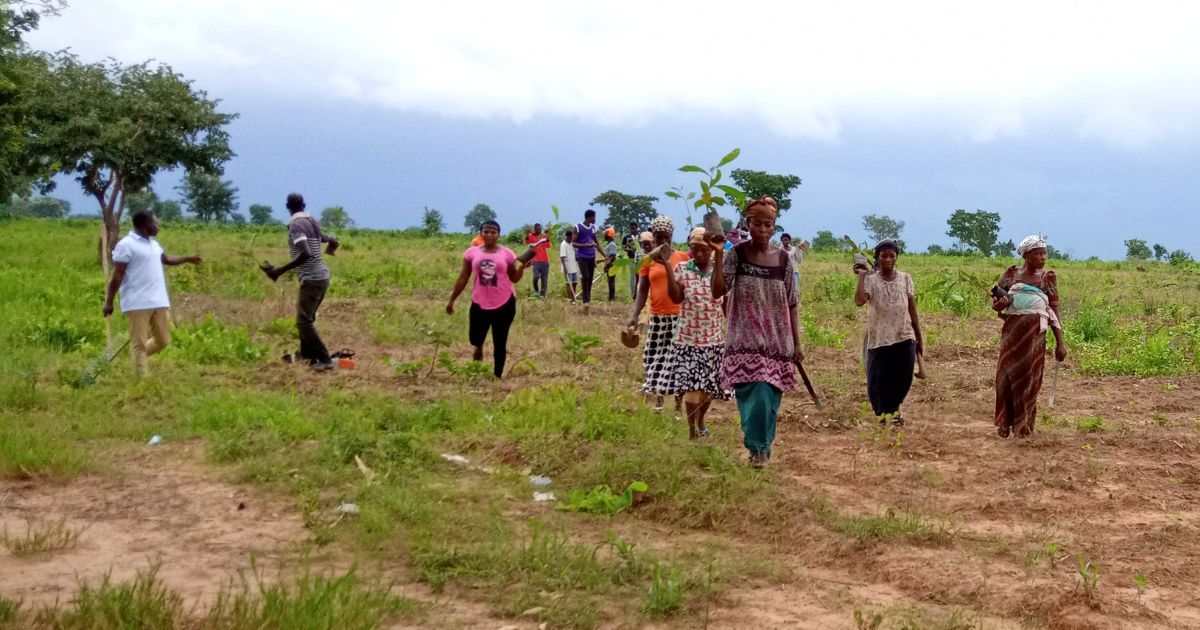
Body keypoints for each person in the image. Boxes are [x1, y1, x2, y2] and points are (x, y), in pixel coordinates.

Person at [710, 197, 802, 469]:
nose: (762, 229)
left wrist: (797, 344)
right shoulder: (736, 255)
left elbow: (793, 303)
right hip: (744, 341)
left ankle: (763, 446)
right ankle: (757, 449)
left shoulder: (783, 260)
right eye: (757, 224)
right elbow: (718, 291)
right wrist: (717, 255)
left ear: (774, 227)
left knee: (770, 401)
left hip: (777, 343)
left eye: (768, 224)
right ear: (747, 225)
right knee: (754, 399)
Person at [102, 211, 201, 378]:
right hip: (137, 302)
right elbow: (117, 275)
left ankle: (136, 357)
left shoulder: (154, 244)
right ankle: (142, 380)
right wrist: (109, 301)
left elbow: (167, 259)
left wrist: (187, 258)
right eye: (154, 223)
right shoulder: (126, 245)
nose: (157, 226)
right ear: (144, 224)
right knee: (139, 343)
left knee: (163, 340)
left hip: (158, 301)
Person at [992, 235, 1067, 438]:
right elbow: (998, 305)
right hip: (1012, 333)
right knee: (1006, 377)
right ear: (1026, 255)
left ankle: (1023, 424)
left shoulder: (1047, 278)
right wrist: (998, 305)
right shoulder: (1010, 275)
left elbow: (1054, 311)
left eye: (1044, 253)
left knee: (1030, 378)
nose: (1043, 257)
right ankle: (1005, 422)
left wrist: (1060, 342)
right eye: (1038, 253)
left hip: (1035, 336)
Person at [262, 193, 340, 371]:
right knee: (307, 319)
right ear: (303, 205)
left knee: (303, 321)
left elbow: (306, 253)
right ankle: (306, 355)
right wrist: (332, 242)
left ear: (287, 207)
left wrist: (279, 271)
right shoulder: (311, 220)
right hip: (321, 276)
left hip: (312, 279)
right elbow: (324, 238)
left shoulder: (296, 225)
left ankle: (324, 359)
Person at [665, 227, 730, 439]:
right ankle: (692, 432)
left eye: (703, 249)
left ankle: (701, 420)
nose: (699, 253)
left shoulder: (719, 272)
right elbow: (675, 299)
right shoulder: (683, 269)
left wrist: (719, 255)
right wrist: (666, 265)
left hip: (713, 340)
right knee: (692, 386)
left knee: (708, 390)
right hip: (687, 339)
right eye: (695, 249)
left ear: (710, 250)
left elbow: (725, 304)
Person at [447, 220, 529, 379]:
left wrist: (521, 269)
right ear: (481, 233)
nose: (490, 235)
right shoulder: (471, 253)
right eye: (486, 231)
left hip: (504, 302)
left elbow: (514, 278)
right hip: (479, 302)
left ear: (498, 235)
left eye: (493, 232)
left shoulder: (507, 253)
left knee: (500, 340)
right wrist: (451, 300)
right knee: (475, 337)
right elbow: (463, 277)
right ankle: (478, 348)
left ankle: (497, 377)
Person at [854, 239, 923, 425]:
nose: (888, 259)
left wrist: (919, 337)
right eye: (884, 256)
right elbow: (860, 301)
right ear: (877, 257)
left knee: (903, 376)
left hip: (904, 335)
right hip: (880, 338)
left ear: (897, 257)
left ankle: (894, 409)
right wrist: (861, 276)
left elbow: (912, 310)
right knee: (879, 379)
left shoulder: (905, 278)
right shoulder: (871, 280)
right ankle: (886, 414)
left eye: (892, 255)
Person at [627, 216, 690, 411]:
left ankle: (679, 406)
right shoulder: (647, 261)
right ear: (653, 237)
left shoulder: (682, 258)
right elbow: (642, 290)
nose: (663, 242)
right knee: (654, 358)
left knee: (677, 361)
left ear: (672, 237)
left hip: (679, 317)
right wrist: (634, 315)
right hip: (657, 317)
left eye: (667, 238)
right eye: (659, 237)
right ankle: (659, 402)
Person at [573, 209, 599, 307]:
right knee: (585, 277)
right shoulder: (577, 227)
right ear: (590, 217)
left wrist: (606, 256)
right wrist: (584, 246)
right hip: (582, 256)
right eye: (594, 217)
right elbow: (573, 243)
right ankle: (585, 300)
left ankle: (588, 299)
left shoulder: (593, 228)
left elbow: (597, 243)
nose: (595, 219)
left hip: (591, 256)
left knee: (590, 279)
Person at [525, 223, 551, 298]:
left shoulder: (544, 236)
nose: (539, 230)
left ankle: (543, 296)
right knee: (536, 277)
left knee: (544, 279)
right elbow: (527, 242)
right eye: (537, 229)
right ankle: (536, 291)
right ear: (534, 229)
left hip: (544, 261)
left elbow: (548, 246)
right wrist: (527, 233)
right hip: (535, 260)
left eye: (540, 229)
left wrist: (547, 236)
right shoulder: (530, 235)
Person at [559, 228, 580, 304]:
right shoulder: (563, 245)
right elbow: (562, 257)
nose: (571, 239)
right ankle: (570, 298)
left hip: (574, 266)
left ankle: (573, 297)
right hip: (567, 267)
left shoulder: (572, 243)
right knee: (569, 283)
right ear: (567, 237)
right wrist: (565, 268)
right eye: (570, 238)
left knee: (575, 282)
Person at [603, 227, 619, 302]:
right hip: (610, 265)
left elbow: (612, 256)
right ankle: (611, 297)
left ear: (609, 235)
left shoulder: (612, 244)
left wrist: (607, 266)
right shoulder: (609, 244)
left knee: (611, 281)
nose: (604, 236)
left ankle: (612, 298)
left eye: (605, 234)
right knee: (610, 281)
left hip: (612, 265)